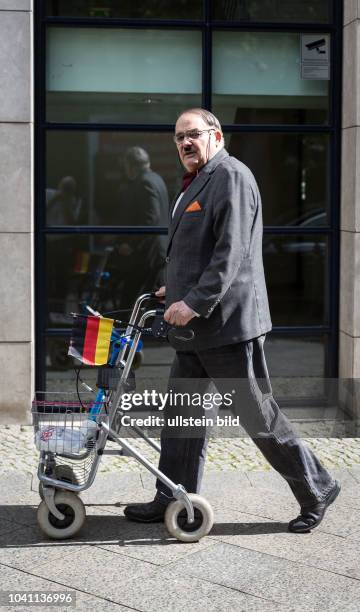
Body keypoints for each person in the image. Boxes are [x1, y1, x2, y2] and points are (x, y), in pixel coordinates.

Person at [124, 108, 340, 533]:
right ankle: (172, 496)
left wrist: (195, 302)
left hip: (225, 325)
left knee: (257, 414)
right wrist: (176, 288)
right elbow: (198, 250)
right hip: (195, 328)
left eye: (193, 134)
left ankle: (317, 487)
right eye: (179, 137)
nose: (185, 143)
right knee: (182, 415)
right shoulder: (196, 181)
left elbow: (232, 251)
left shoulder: (231, 176)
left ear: (216, 135)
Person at [114, 146, 169, 306]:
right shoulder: (157, 179)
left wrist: (131, 244)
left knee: (131, 300)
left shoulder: (144, 182)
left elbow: (150, 218)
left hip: (147, 253)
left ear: (130, 166)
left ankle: (128, 330)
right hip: (157, 251)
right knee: (151, 299)